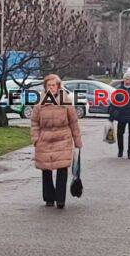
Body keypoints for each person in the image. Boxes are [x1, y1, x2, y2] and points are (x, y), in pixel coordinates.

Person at [31, 74, 83, 209]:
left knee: (62, 169)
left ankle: (60, 199)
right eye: (49, 85)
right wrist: (35, 138)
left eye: (54, 85)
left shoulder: (66, 102)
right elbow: (34, 123)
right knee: (46, 170)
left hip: (62, 138)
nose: (52, 88)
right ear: (45, 87)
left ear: (58, 86)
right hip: (45, 139)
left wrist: (77, 141)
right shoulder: (39, 103)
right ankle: (49, 198)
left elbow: (73, 122)